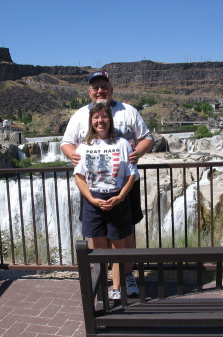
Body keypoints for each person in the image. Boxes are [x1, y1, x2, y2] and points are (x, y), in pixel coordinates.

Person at [61, 70, 154, 296]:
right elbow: (66, 143)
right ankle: (102, 277)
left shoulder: (129, 111)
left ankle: (127, 275)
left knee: (125, 232)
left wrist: (137, 153)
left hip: (125, 187)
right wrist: (72, 154)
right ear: (90, 91)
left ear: (111, 89)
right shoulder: (80, 115)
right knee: (97, 234)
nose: (100, 91)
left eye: (104, 86)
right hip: (93, 188)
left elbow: (147, 138)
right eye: (96, 87)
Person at [73, 102, 137, 300]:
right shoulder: (83, 147)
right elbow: (79, 176)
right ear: (91, 122)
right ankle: (101, 287)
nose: (100, 121)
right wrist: (91, 199)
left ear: (110, 119)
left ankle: (117, 289)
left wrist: (120, 197)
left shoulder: (122, 144)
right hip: (94, 201)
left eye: (104, 117)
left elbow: (130, 175)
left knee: (118, 248)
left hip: (117, 199)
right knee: (100, 250)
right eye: (96, 118)